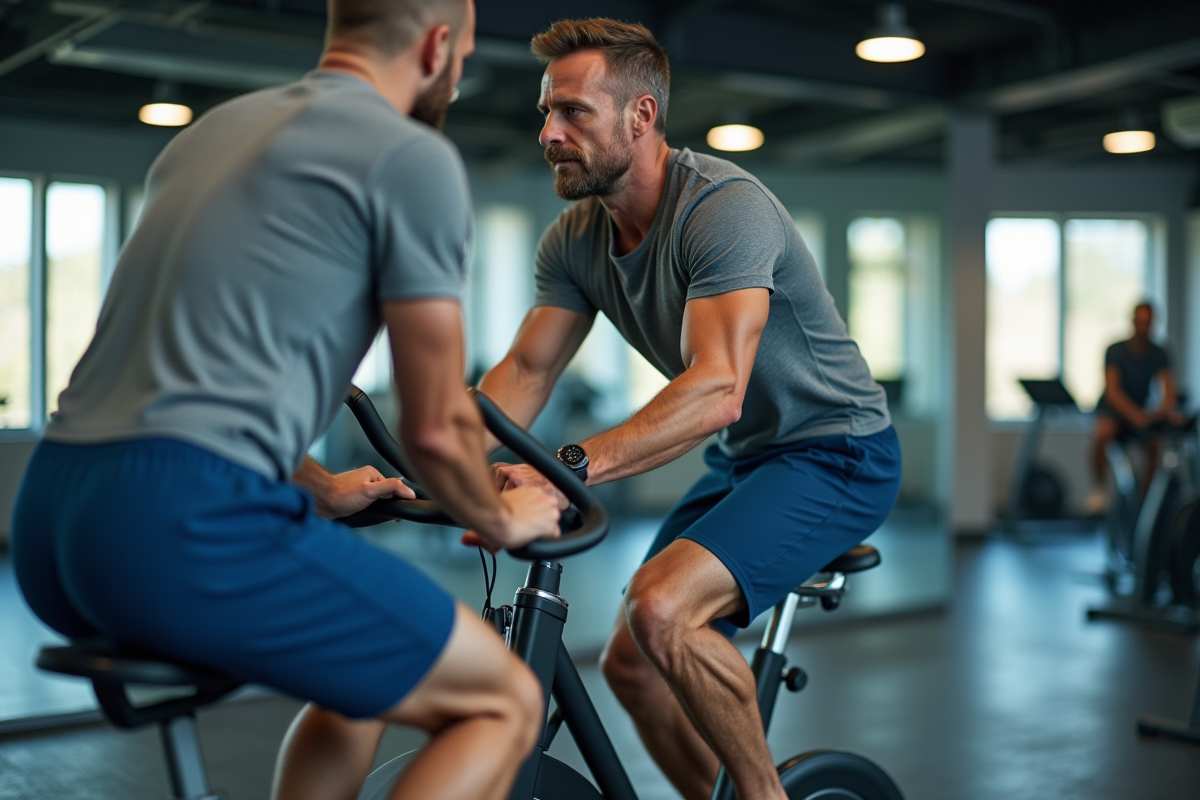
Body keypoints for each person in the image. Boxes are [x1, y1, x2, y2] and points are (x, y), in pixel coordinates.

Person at [9, 1, 563, 799]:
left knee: (363, 680)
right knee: (504, 700)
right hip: (179, 528)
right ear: (440, 45)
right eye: (465, 56)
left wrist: (325, 489)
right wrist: (503, 516)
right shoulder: (411, 157)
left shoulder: (208, 137)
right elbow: (436, 427)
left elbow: (182, 381)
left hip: (52, 521)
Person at [475, 18, 902, 800]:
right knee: (630, 665)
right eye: (546, 112)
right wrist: (440, 464)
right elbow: (526, 371)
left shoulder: (722, 209)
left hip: (839, 451)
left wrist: (562, 471)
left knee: (662, 607)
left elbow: (716, 388)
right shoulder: (575, 240)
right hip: (747, 460)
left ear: (640, 116)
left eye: (573, 112)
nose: (549, 132)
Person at [1086, 301, 1182, 513]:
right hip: (1114, 410)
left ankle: (1146, 503)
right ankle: (1100, 491)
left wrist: (1165, 411)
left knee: (1155, 442)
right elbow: (1113, 392)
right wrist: (1136, 415)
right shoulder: (1116, 350)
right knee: (1104, 432)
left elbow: (1168, 390)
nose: (1144, 326)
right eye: (1140, 322)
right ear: (1133, 322)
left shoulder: (1159, 353)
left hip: (1140, 411)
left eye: (1148, 322)